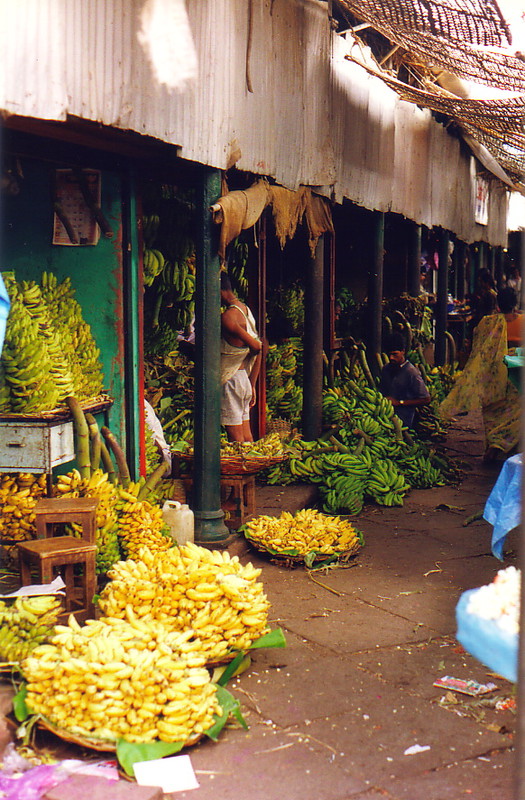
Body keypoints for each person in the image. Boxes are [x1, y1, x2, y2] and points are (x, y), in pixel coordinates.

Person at [439, 287, 522, 463]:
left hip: (493, 378)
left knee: (493, 412)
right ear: (515, 303)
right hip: (516, 377)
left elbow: (478, 348)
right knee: (514, 414)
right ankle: (506, 447)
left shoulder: (487, 323)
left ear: (498, 304)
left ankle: (493, 446)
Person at [220, 271, 263, 442]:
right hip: (243, 378)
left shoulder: (229, 317)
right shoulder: (245, 310)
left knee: (236, 437)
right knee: (246, 435)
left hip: (231, 381)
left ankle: (240, 468)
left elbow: (256, 347)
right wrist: (252, 384)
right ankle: (253, 466)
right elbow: (258, 346)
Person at [379, 333, 430, 428]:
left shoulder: (411, 372)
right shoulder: (386, 369)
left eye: (395, 354)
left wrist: (400, 402)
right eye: (389, 354)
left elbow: (426, 399)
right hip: (384, 417)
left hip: (404, 421)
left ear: (403, 352)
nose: (391, 358)